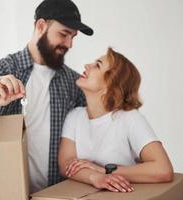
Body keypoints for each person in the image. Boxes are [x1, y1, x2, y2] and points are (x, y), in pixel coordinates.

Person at [0, 0, 94, 193]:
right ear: (41, 26)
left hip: (57, 193)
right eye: (64, 34)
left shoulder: (74, 83)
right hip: (5, 190)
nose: (69, 44)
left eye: (73, 37)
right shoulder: (4, 68)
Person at [58, 47, 174, 193]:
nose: (87, 65)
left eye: (97, 65)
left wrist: (104, 171)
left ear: (109, 85)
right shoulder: (74, 116)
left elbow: (163, 169)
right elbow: (65, 165)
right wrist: (95, 177)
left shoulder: (129, 118)